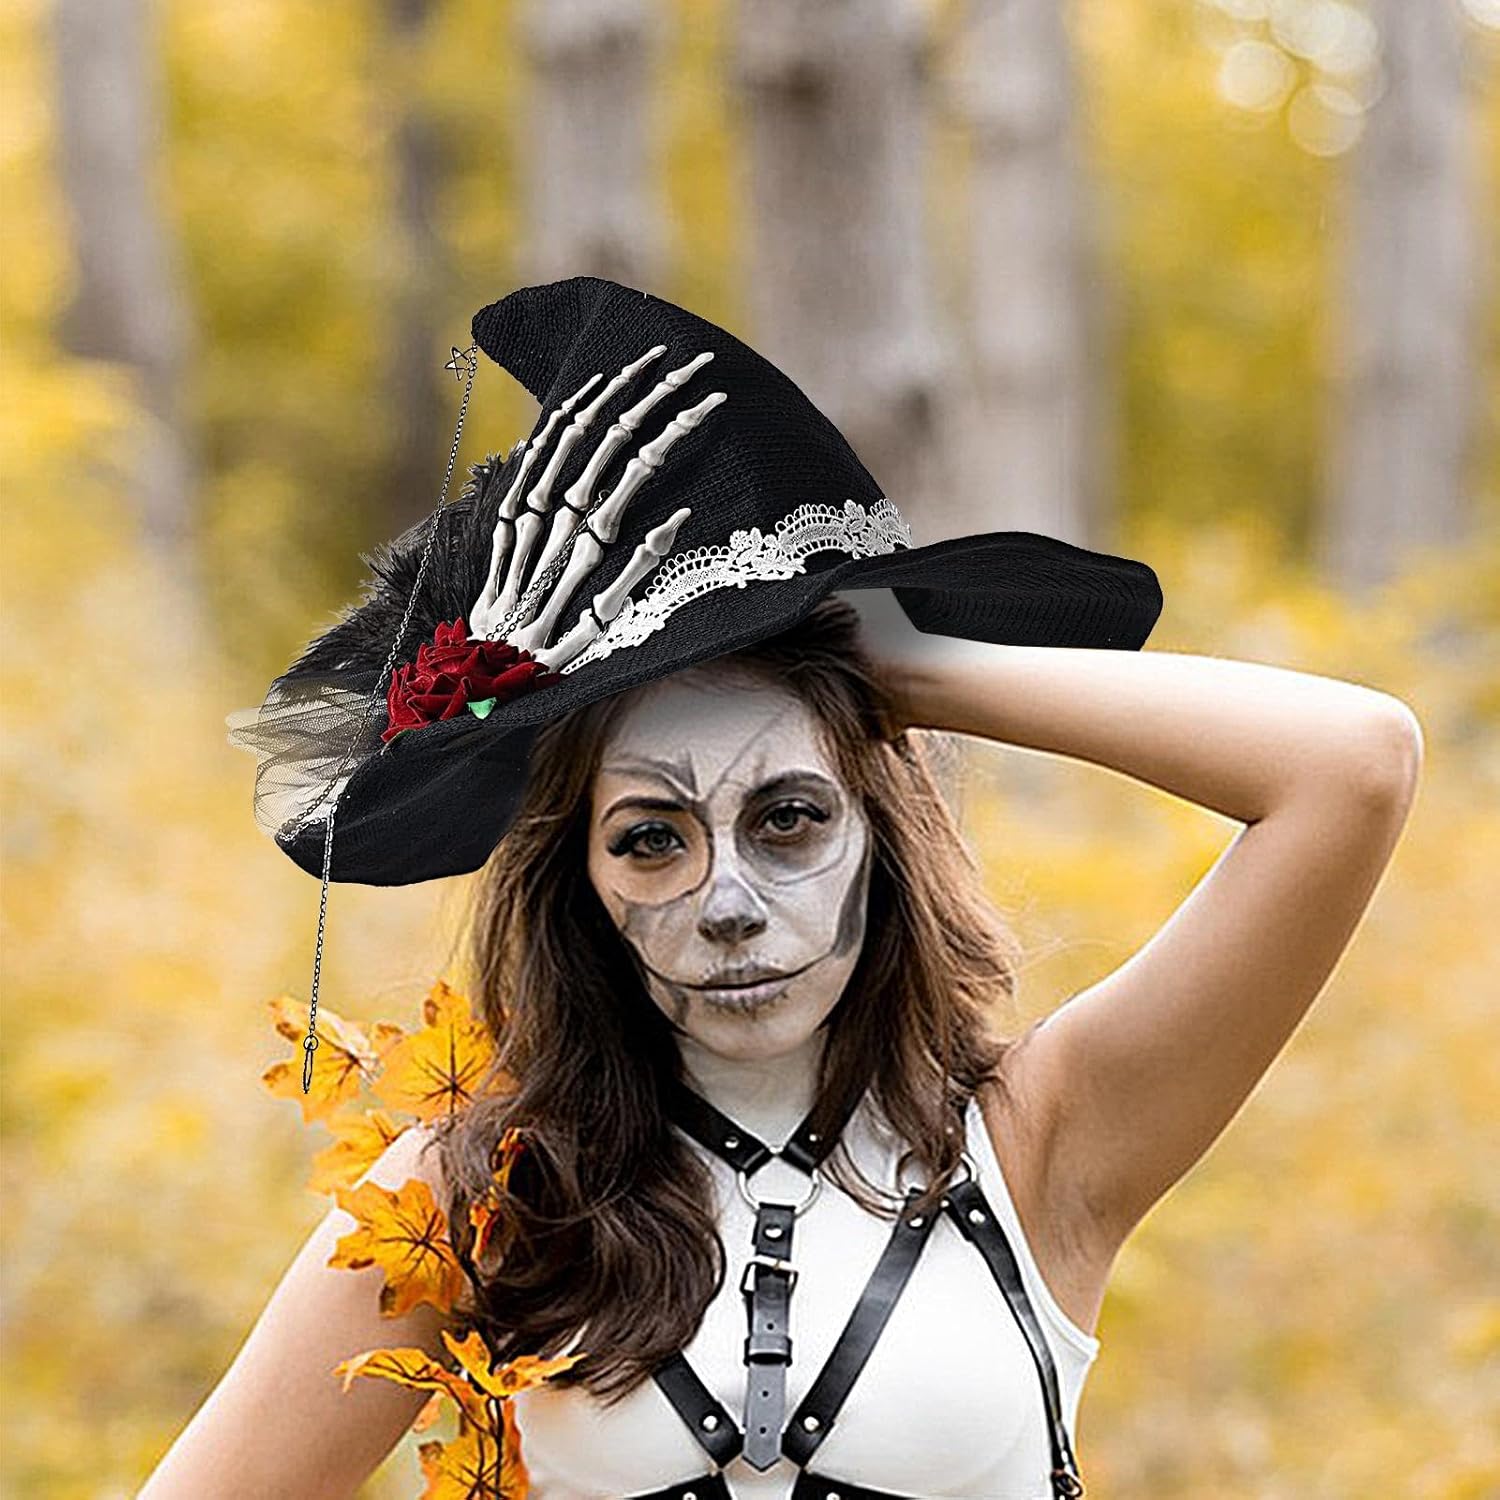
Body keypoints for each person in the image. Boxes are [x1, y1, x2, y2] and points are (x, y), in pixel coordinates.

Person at [142, 277, 1422, 1498]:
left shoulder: (1047, 1137)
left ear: (880, 831)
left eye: (791, 817)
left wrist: (888, 668)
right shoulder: (474, 1190)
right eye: (651, 839)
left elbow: (1352, 766)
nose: (728, 901)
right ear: (580, 880)